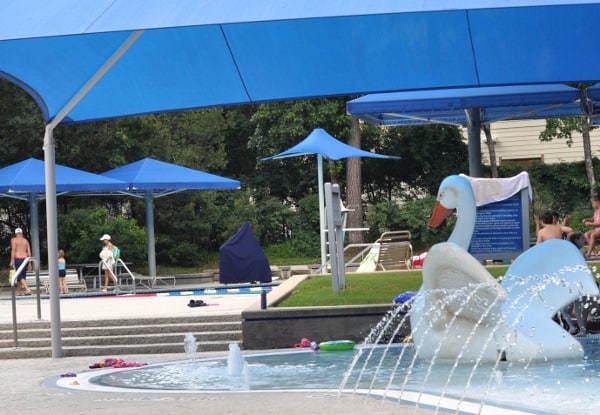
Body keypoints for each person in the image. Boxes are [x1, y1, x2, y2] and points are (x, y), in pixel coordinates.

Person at [10, 227, 32, 295]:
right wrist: (29, 263)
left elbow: (13, 250)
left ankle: (27, 289)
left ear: (16, 233)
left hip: (18, 259)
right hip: (25, 259)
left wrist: (12, 260)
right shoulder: (26, 241)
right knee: (22, 275)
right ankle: (18, 292)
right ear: (21, 233)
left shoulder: (14, 240)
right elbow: (29, 252)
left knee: (19, 275)